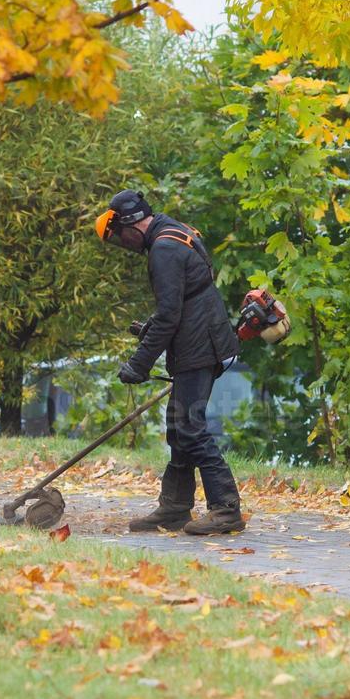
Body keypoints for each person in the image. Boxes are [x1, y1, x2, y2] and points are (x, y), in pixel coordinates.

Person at [95, 189, 244, 535]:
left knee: (190, 426)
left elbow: (169, 316)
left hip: (198, 346)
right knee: (179, 427)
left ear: (131, 225)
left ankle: (226, 509)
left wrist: (139, 363)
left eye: (120, 238)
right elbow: (182, 296)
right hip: (203, 338)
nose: (125, 245)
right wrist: (151, 328)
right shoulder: (174, 230)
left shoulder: (162, 248)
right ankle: (175, 508)